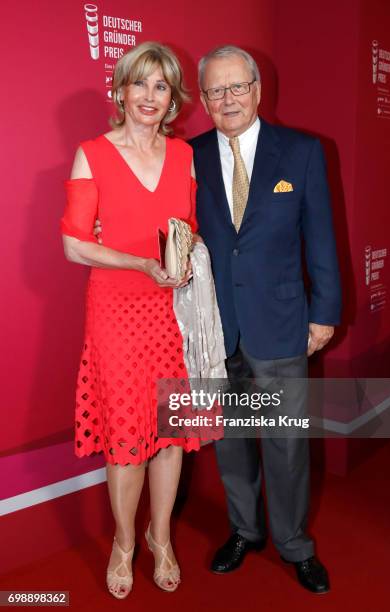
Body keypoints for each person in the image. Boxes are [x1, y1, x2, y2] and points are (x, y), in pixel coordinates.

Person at [189, 45, 342, 594]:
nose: (227, 99)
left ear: (256, 89)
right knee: (229, 439)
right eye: (215, 90)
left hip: (279, 321)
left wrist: (323, 313)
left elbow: (320, 235)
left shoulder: (301, 152)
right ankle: (244, 530)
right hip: (216, 327)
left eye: (236, 87)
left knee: (285, 443)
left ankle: (295, 543)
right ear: (203, 99)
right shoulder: (191, 155)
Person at [61, 41, 202, 599]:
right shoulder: (92, 152)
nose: (149, 96)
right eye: (139, 84)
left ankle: (159, 537)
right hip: (117, 311)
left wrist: (183, 261)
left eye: (161, 86)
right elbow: (75, 245)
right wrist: (140, 262)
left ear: (173, 99)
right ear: (119, 91)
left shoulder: (186, 156)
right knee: (126, 437)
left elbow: (187, 228)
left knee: (170, 433)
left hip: (171, 313)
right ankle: (124, 543)